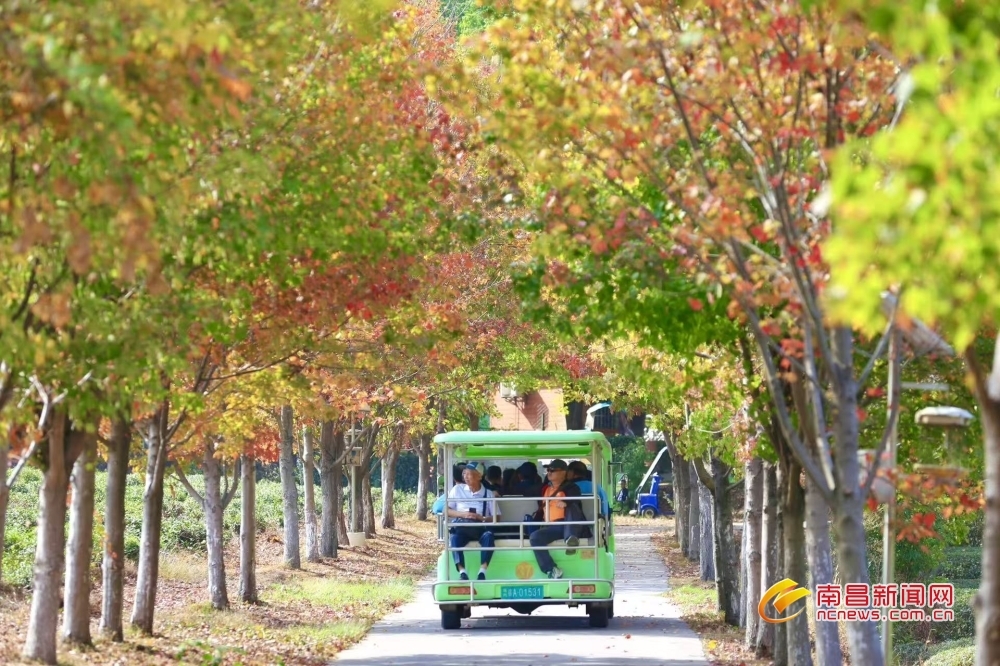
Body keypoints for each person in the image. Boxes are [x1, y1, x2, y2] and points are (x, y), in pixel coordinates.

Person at [528, 459, 583, 579]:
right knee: (535, 537)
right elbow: (524, 490)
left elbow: (575, 498)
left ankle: (571, 538)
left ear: (563, 473)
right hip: (550, 526)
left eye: (552, 470)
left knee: (573, 506)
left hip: (565, 524)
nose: (549, 472)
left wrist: (566, 503)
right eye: (548, 470)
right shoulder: (544, 488)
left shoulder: (571, 487)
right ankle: (552, 569)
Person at [446, 462, 497, 580]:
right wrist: (463, 514)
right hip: (462, 526)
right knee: (454, 539)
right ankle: (462, 572)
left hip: (479, 527)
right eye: (465, 474)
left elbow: (497, 517)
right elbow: (446, 510)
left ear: (479, 476)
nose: (466, 477)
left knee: (489, 536)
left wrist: (481, 518)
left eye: (469, 474)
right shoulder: (457, 489)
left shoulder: (488, 494)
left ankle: (482, 571)